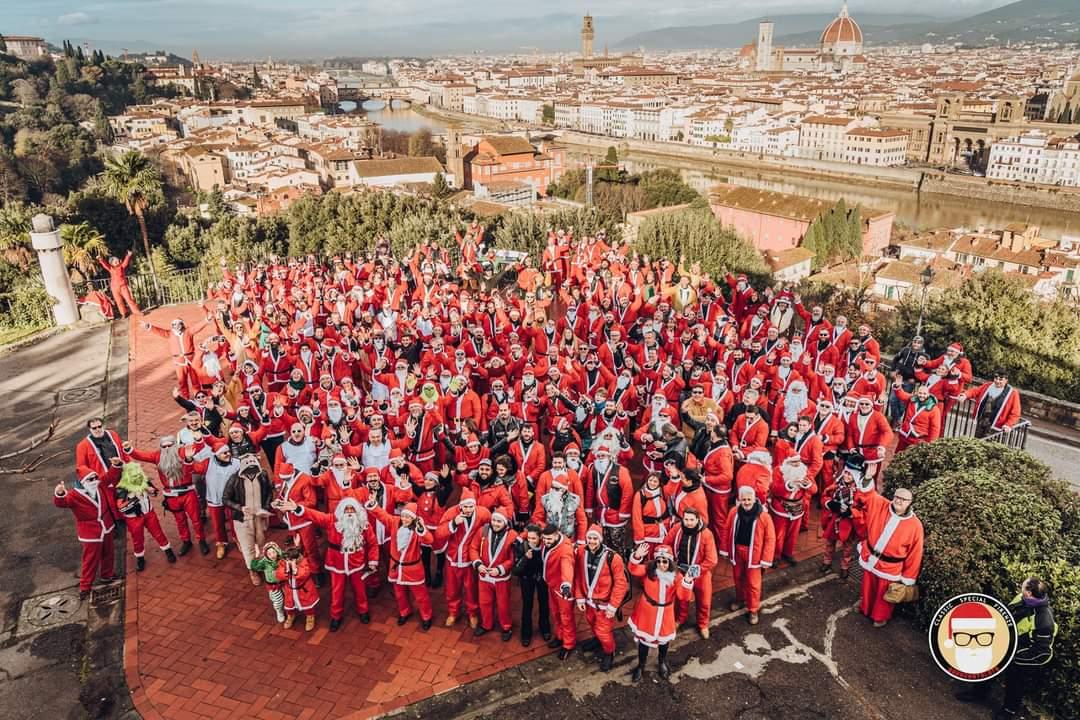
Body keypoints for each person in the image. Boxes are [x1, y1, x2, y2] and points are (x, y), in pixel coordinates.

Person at [956, 577, 1057, 720]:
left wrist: (1015, 657)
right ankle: (978, 693)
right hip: (1008, 643)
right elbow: (1007, 614)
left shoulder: (1044, 620)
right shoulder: (1021, 598)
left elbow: (1042, 652)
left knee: (1015, 682)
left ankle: (1009, 710)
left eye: (1023, 586)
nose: (1020, 588)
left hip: (1024, 654)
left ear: (1029, 592)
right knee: (989, 667)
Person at [279, 497, 378, 632]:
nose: (349, 512)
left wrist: (373, 561)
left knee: (360, 590)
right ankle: (336, 616)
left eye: (352, 509)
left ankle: (363, 611)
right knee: (337, 592)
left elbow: (372, 544)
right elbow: (315, 515)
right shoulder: (332, 521)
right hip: (336, 564)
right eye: (346, 509)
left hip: (356, 563)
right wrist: (297, 508)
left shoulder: (364, 524)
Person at [851, 456, 923, 627]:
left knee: (884, 593)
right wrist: (868, 478)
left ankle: (880, 617)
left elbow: (915, 553)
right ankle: (865, 608)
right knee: (867, 588)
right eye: (897, 497)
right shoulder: (881, 504)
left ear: (909, 503)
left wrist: (908, 578)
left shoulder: (915, 525)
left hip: (891, 566)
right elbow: (868, 495)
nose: (898, 501)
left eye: (903, 500)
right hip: (871, 557)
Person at [130, 435, 209, 556]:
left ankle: (201, 540)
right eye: (164, 446)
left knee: (196, 519)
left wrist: (198, 440)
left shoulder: (182, 451)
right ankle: (186, 540)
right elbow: (141, 455)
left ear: (175, 445)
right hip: (171, 495)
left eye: (169, 446)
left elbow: (199, 447)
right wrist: (129, 449)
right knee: (180, 520)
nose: (167, 448)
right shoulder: (158, 456)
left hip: (187, 492)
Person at [626, 543, 694, 681]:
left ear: (670, 562)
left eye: (665, 561)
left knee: (664, 641)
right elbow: (632, 569)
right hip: (647, 612)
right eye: (659, 561)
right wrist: (637, 555)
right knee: (644, 642)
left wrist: (687, 581)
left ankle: (662, 661)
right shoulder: (648, 570)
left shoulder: (677, 576)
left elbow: (684, 597)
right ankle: (641, 665)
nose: (661, 564)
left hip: (665, 613)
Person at [366, 501, 435, 630]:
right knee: (399, 593)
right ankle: (405, 612)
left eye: (408, 517)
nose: (404, 519)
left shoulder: (418, 529)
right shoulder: (395, 522)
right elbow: (382, 515)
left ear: (414, 518)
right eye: (403, 516)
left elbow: (429, 540)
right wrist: (373, 505)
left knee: (420, 595)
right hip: (396, 566)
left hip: (413, 568)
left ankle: (427, 616)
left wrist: (421, 529)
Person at [574, 524, 629, 672]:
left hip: (604, 605)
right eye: (589, 538)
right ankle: (597, 641)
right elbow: (578, 576)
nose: (591, 541)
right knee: (592, 624)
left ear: (600, 540)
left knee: (604, 632)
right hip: (589, 602)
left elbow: (620, 584)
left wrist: (613, 606)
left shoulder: (613, 557)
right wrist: (579, 597)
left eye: (594, 538)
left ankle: (609, 652)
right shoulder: (581, 552)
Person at [54, 471, 117, 599]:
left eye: (95, 477)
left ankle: (107, 575)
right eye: (90, 479)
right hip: (91, 533)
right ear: (83, 482)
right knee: (90, 560)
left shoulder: (99, 486)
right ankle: (85, 586)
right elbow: (62, 503)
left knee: (108, 553)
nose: (94, 480)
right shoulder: (74, 495)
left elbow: (110, 476)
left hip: (106, 526)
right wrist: (60, 493)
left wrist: (116, 466)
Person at [719, 485, 776, 625]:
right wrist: (725, 549)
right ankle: (740, 599)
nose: (746, 502)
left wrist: (766, 559)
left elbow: (770, 539)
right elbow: (726, 530)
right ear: (739, 500)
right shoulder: (734, 512)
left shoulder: (764, 516)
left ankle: (753, 609)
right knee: (738, 578)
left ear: (754, 499)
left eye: (749, 499)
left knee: (753, 583)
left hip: (754, 555)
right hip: (737, 551)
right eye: (743, 499)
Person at [663, 506, 718, 639]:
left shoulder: (706, 534)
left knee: (704, 601)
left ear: (697, 519)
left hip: (700, 573)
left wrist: (694, 571)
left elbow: (712, 560)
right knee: (681, 599)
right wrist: (670, 561)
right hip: (681, 571)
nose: (688, 522)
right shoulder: (677, 528)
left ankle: (703, 624)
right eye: (686, 519)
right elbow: (666, 544)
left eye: (691, 520)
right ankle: (680, 619)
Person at [223, 455, 274, 585]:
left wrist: (266, 507)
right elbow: (225, 499)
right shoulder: (234, 479)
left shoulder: (262, 475)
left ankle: (263, 564)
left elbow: (268, 492)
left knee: (261, 542)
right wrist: (239, 507)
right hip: (242, 519)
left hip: (259, 517)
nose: (251, 471)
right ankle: (253, 570)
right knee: (248, 547)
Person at [469, 509, 518, 641]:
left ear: (505, 522)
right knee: (484, 602)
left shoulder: (512, 535)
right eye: (494, 520)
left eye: (499, 521)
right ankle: (486, 624)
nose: (495, 523)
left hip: (501, 578)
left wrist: (501, 569)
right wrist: (478, 564)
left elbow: (513, 558)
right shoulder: (483, 531)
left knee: (503, 604)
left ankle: (506, 627)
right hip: (484, 575)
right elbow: (473, 548)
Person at [511, 524, 552, 648]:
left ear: (540, 538)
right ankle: (526, 633)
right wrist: (525, 559)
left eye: (534, 539)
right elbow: (515, 570)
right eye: (529, 538)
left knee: (544, 603)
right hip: (527, 578)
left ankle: (545, 628)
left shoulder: (546, 548)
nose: (531, 541)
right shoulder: (522, 547)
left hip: (541, 578)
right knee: (527, 605)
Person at [540, 523, 577, 659]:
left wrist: (566, 585)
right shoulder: (551, 541)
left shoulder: (565, 550)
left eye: (549, 539)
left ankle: (568, 644)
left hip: (563, 590)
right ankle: (560, 636)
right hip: (552, 585)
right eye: (544, 539)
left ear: (557, 535)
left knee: (566, 618)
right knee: (555, 614)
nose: (545, 542)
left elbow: (567, 566)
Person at [959, 370, 1022, 439]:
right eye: (996, 378)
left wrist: (1008, 425)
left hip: (997, 427)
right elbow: (975, 391)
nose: (997, 381)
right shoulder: (988, 385)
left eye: (1000, 379)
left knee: (990, 446)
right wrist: (965, 395)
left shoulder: (1013, 393)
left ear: (1006, 380)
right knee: (977, 442)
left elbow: (1015, 413)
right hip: (981, 422)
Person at [249, 542, 286, 623]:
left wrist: (297, 546)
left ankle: (290, 610)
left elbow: (292, 555)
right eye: (269, 553)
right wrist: (257, 556)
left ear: (277, 551)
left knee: (288, 598)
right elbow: (255, 567)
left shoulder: (282, 557)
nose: (272, 555)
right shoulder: (264, 562)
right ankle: (279, 611)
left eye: (273, 552)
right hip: (273, 585)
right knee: (278, 601)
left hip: (284, 583)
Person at [99, 251, 141, 318]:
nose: (117, 261)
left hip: (123, 286)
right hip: (114, 288)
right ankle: (123, 313)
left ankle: (137, 312)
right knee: (119, 301)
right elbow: (105, 265)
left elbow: (125, 262)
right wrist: (101, 259)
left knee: (129, 299)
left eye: (117, 260)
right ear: (112, 263)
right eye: (115, 261)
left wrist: (128, 256)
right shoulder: (111, 268)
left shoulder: (121, 267)